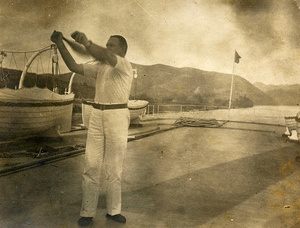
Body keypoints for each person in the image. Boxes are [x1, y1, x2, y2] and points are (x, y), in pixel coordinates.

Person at [51, 30, 133, 226]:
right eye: (106, 44)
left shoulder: (123, 64)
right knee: (91, 166)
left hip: (117, 116)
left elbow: (103, 54)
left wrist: (87, 43)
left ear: (122, 50)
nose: (107, 47)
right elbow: (73, 66)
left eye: (111, 44)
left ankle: (114, 211)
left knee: (113, 169)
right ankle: (87, 212)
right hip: (97, 115)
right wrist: (61, 43)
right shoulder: (101, 68)